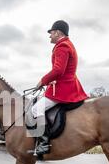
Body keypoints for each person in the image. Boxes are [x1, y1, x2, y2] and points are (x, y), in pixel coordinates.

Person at [32, 20, 89, 155]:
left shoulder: (62, 46)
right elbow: (63, 71)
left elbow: (58, 71)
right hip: (66, 84)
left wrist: (43, 81)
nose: (49, 36)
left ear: (57, 32)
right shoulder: (68, 44)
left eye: (51, 32)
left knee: (36, 109)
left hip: (64, 89)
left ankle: (44, 144)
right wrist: (51, 82)